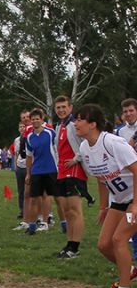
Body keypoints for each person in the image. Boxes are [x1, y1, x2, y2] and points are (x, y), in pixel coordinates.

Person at [74, 104, 137, 288]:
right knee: (103, 245)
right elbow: (101, 179)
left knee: (119, 239)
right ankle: (130, 270)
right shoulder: (85, 148)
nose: (75, 123)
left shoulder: (112, 143)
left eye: (80, 119)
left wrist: (135, 205)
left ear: (92, 124)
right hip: (119, 200)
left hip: (134, 198)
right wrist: (103, 207)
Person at [53, 96, 88, 258]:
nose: (61, 110)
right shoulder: (59, 126)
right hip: (61, 171)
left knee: (75, 210)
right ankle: (69, 244)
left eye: (64, 107)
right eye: (58, 107)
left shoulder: (75, 125)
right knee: (66, 210)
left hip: (74, 171)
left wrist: (76, 159)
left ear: (70, 108)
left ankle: (75, 247)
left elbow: (86, 142)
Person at [24, 108, 58, 236]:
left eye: (37, 119)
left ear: (42, 119)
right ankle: (32, 225)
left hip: (50, 169)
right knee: (34, 197)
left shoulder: (50, 133)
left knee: (46, 196)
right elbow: (29, 156)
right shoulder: (29, 137)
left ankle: (45, 222)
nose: (35, 121)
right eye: (33, 119)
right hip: (36, 170)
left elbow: (57, 149)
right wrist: (28, 173)